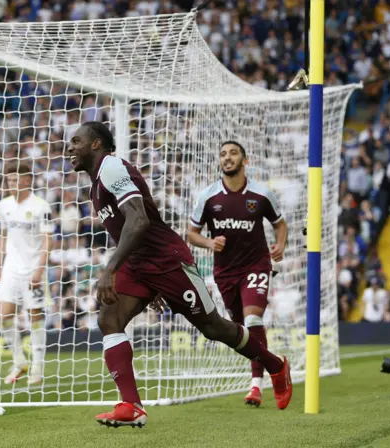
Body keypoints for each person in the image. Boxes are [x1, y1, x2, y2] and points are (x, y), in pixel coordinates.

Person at [67, 122, 292, 428]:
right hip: (138, 264)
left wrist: (110, 269)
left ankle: (274, 365)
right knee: (109, 318)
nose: (70, 147)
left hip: (166, 260)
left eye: (76, 141)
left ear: (96, 144)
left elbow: (139, 220)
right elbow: (126, 229)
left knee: (214, 327)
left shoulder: (111, 167)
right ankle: (131, 405)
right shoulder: (96, 182)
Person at [188, 141, 288, 408]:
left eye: (233, 153)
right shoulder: (207, 197)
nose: (227, 157)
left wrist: (280, 244)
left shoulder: (262, 194)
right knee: (241, 330)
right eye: (222, 154)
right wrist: (209, 243)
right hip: (225, 272)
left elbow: (280, 224)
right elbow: (191, 233)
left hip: (256, 265)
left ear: (245, 160)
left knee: (253, 319)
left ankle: (257, 385)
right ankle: (276, 366)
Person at [0, 161, 54, 385]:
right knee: (5, 316)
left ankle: (37, 366)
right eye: (9, 180)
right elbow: (3, 234)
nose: (11, 183)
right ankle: (19, 361)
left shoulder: (41, 206)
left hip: (32, 269)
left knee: (34, 317)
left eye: (16, 179)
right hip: (10, 268)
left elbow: (49, 239)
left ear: (27, 180)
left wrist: (40, 269)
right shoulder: (4, 205)